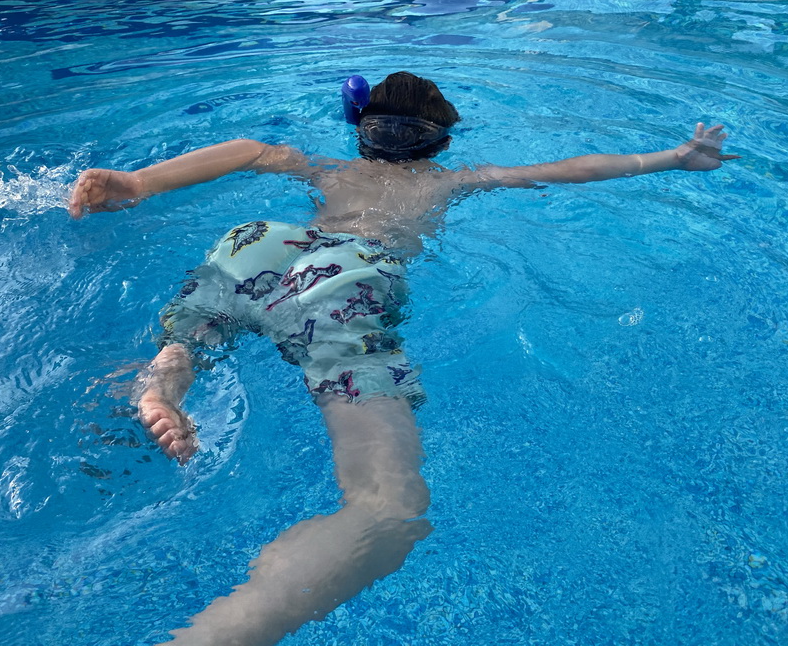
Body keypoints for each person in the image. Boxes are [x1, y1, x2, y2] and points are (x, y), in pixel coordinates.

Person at [68, 71, 736, 646]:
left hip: (264, 244)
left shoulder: (325, 169)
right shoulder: (452, 182)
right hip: (346, 278)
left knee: (192, 336)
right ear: (440, 142)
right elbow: (563, 170)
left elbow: (246, 151)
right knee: (389, 509)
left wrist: (137, 181)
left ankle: (165, 382)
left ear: (359, 129)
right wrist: (673, 156)